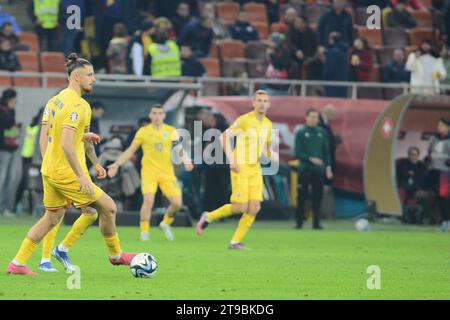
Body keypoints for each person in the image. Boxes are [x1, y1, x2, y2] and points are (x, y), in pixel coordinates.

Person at [6, 53, 136, 275]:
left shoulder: (54, 100)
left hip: (50, 169)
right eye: (90, 75)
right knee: (109, 207)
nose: (94, 79)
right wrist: (82, 176)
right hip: (66, 173)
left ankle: (17, 263)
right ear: (76, 77)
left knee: (52, 217)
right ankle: (116, 256)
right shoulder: (79, 105)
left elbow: (47, 135)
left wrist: (94, 163)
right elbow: (67, 144)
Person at [196, 90, 279, 250]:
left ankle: (235, 242)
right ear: (253, 103)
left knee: (255, 207)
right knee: (240, 207)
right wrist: (232, 160)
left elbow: (266, 148)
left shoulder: (268, 124)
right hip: (240, 166)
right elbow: (223, 137)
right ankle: (208, 216)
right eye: (259, 100)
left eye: (265, 101)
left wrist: (271, 155)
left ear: (268, 104)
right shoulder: (244, 120)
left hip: (255, 168)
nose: (262, 103)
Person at [107, 104, 194, 241]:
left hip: (166, 173)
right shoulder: (143, 131)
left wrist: (186, 160)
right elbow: (131, 150)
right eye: (154, 113)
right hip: (149, 172)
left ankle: (165, 223)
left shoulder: (171, 130)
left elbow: (178, 148)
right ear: (150, 115)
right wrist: (117, 164)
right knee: (148, 201)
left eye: (160, 113)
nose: (157, 116)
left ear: (164, 116)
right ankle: (144, 231)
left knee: (177, 203)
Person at [294, 108, 333, 229]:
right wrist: (310, 159)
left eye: (316, 117)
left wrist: (328, 168)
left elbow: (326, 152)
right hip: (305, 169)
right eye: (312, 116)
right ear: (306, 117)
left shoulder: (322, 132)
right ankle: (299, 223)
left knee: (318, 196)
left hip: (319, 170)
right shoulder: (301, 132)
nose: (314, 119)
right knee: (302, 196)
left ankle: (317, 224)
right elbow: (297, 152)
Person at [424, 117, 450, 232]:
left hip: (446, 172)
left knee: (444, 197)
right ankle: (444, 222)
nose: (439, 127)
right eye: (438, 125)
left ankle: (448, 221)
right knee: (438, 198)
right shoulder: (434, 139)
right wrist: (428, 158)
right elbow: (430, 152)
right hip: (435, 171)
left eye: (441, 125)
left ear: (448, 127)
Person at [0, 88, 19, 218]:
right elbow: (6, 126)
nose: (15, 102)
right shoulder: (2, 110)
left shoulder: (11, 110)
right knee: (2, 178)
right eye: (13, 100)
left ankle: (7, 206)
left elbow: (11, 126)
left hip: (11, 148)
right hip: (2, 149)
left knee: (12, 178)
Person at [323, 32, 349, 98]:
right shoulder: (345, 51)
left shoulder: (333, 53)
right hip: (343, 83)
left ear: (332, 40)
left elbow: (330, 69)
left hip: (332, 85)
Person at [319, 104, 339, 175]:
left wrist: (334, 140)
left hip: (329, 151)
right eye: (333, 113)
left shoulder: (326, 122)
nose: (333, 116)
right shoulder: (319, 122)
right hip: (323, 153)